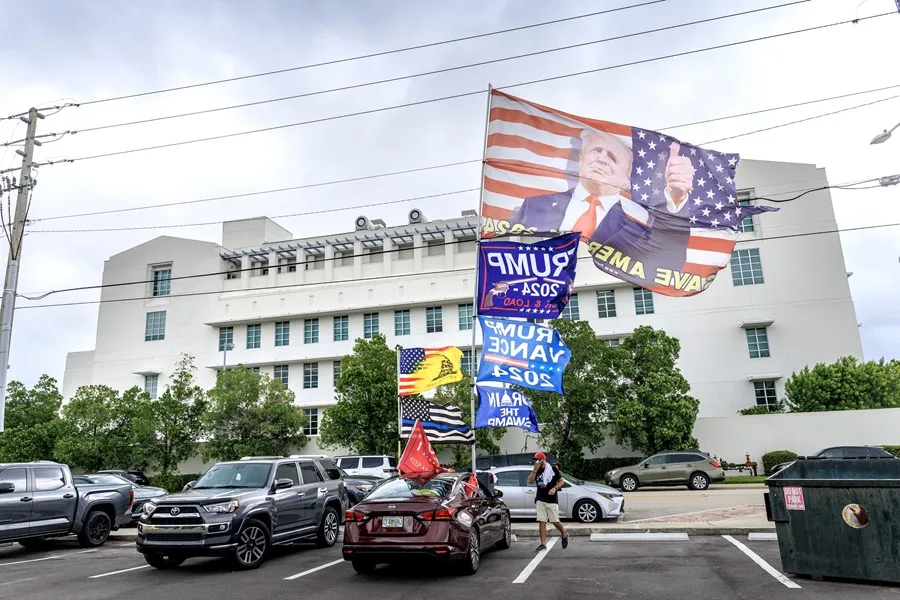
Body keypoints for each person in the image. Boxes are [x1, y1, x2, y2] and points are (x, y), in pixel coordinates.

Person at [527, 451, 568, 551]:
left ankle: (564, 534)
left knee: (555, 521)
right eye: (535, 460)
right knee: (542, 521)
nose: (536, 462)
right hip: (540, 499)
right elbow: (530, 481)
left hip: (551, 499)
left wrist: (554, 488)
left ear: (543, 460)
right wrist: (534, 470)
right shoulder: (536, 470)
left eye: (538, 460)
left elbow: (562, 481)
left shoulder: (553, 469)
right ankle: (543, 543)